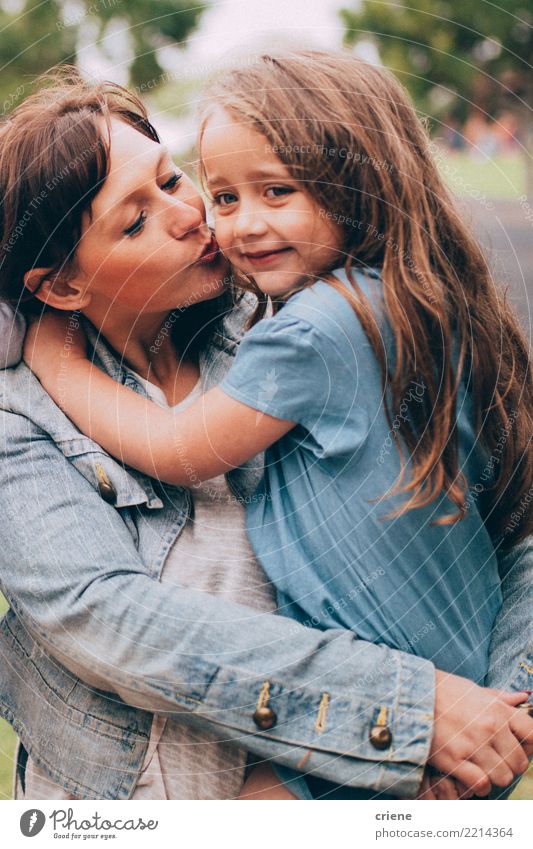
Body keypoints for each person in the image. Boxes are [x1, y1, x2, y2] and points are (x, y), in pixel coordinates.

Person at [1, 68, 532, 802]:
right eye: (136, 219)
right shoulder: (19, 424)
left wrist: (498, 717)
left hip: (358, 779)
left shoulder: (280, 326)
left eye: (172, 178)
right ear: (59, 287)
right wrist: (413, 712)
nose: (194, 215)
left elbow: (509, 523)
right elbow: (119, 623)